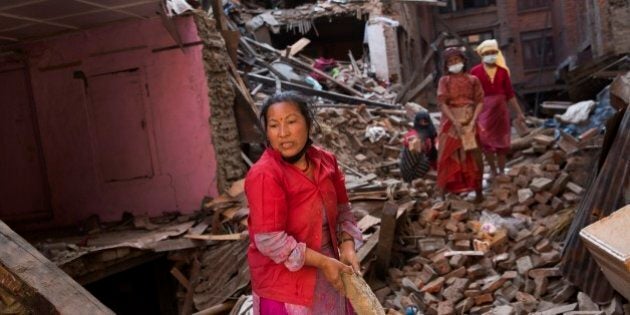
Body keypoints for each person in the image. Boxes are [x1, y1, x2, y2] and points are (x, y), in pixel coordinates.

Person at [244, 91, 362, 314]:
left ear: (307, 123)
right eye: (274, 125)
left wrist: (347, 245)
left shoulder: (326, 161)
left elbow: (343, 210)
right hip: (285, 283)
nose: (283, 133)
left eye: (291, 121)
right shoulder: (265, 175)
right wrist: (324, 263)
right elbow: (270, 241)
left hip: (330, 270)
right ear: (267, 132)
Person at [470, 39, 526, 177]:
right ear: (482, 55)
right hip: (483, 110)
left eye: (493, 52)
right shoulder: (475, 72)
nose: (491, 55)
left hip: (501, 111)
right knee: (485, 140)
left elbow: (510, 95)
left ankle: (501, 170)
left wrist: (519, 113)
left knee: (502, 141)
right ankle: (493, 169)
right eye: (487, 53)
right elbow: (472, 95)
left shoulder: (503, 72)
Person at [436, 47, 485, 202]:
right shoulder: (444, 81)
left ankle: (479, 193)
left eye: (456, 60)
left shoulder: (473, 80)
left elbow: (480, 102)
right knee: (446, 156)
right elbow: (443, 103)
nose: (454, 63)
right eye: (450, 61)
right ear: (446, 65)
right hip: (450, 122)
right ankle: (442, 195)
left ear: (463, 61)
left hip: (470, 120)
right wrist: (454, 121)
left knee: (475, 157)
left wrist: (473, 121)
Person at [400, 111, 438, 183]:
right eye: (421, 122)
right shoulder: (412, 135)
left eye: (426, 121)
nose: (424, 124)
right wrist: (418, 142)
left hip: (420, 163)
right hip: (409, 172)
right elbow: (409, 140)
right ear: (417, 122)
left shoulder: (431, 134)